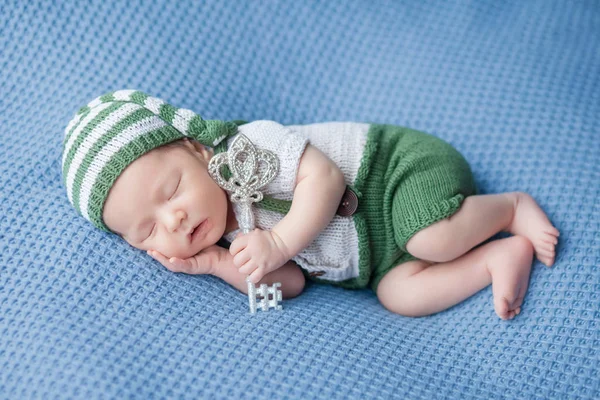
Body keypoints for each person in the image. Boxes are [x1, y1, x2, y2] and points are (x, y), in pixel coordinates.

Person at [61, 89, 559, 320]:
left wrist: (278, 241)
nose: (174, 220)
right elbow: (292, 284)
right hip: (380, 258)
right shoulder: (229, 240)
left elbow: (323, 177)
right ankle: (496, 256)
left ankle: (511, 207)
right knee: (401, 298)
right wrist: (218, 264)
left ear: (196, 149)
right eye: (146, 232)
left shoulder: (246, 147)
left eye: (170, 191)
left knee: (430, 235)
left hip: (395, 172)